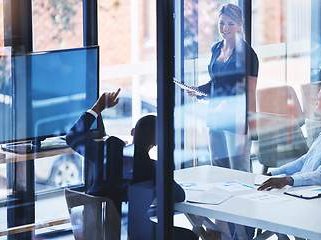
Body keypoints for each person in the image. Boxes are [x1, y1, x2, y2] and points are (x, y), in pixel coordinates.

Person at [66, 89, 197, 240]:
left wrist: (98, 108)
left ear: (132, 131)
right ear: (156, 142)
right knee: (189, 236)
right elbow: (179, 196)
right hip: (134, 233)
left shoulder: (106, 152)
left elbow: (72, 137)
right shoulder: (152, 168)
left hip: (95, 232)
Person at [186, 3, 259, 173]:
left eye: (230, 23)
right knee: (218, 169)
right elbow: (216, 83)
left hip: (237, 121)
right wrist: (198, 90)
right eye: (221, 23)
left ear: (240, 24)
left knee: (239, 171)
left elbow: (250, 92)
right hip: (215, 117)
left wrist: (252, 128)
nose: (224, 28)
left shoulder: (248, 55)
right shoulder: (216, 48)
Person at [258, 85, 321, 191]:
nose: (316, 103)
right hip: (302, 189)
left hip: (315, 195)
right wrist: (272, 174)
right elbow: (305, 160)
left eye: (318, 100)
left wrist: (287, 180)